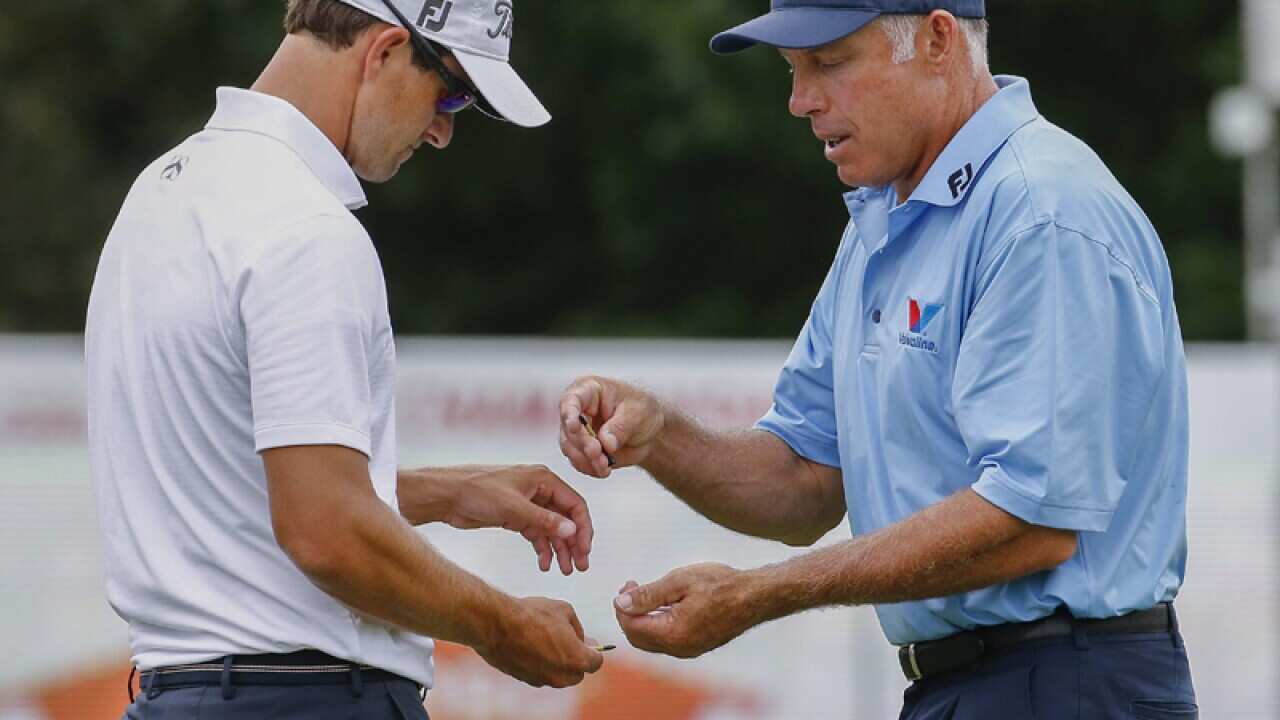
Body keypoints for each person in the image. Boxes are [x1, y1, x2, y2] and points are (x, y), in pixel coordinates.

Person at [559, 1, 1197, 717]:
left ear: (936, 39)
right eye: (793, 71)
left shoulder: (1040, 210)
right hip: (983, 685)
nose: (801, 101)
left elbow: (1033, 520)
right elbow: (807, 478)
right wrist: (660, 437)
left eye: (829, 62)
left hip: (1069, 683)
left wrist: (756, 593)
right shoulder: (883, 219)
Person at [86, 1, 603, 718]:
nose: (443, 129)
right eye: (450, 90)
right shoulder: (305, 227)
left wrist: (451, 492)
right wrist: (504, 626)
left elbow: (237, 482)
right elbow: (325, 530)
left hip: (176, 697)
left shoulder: (159, 194)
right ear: (386, 50)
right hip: (307, 698)